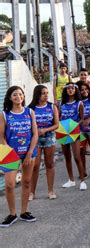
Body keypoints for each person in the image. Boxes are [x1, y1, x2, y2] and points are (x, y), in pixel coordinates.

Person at [0, 86, 38, 227]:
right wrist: (9, 151)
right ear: (10, 97)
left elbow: (35, 134)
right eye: (15, 95)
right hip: (10, 155)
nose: (18, 97)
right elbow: (1, 136)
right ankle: (12, 214)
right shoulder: (4, 114)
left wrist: (29, 153)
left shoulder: (30, 112)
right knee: (9, 185)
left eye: (20, 94)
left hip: (28, 153)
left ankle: (24, 211)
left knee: (27, 182)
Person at [29, 85, 59, 200]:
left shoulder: (52, 107)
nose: (46, 95)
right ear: (37, 94)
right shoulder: (31, 108)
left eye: (47, 93)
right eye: (43, 93)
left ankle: (50, 191)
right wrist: (36, 131)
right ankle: (32, 192)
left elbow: (57, 125)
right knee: (35, 166)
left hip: (49, 137)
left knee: (49, 164)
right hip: (35, 139)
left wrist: (45, 130)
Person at [60, 83, 87, 190]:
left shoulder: (79, 103)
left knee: (77, 156)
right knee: (67, 156)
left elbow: (82, 118)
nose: (70, 90)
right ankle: (71, 180)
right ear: (65, 90)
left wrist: (75, 125)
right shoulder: (62, 103)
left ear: (76, 90)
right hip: (63, 130)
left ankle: (82, 181)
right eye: (68, 88)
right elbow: (60, 117)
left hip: (74, 131)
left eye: (73, 88)